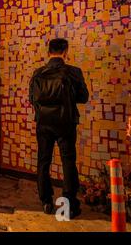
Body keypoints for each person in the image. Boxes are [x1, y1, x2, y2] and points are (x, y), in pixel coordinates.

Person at [29, 38, 89, 219]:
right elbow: (83, 97)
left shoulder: (38, 73)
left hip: (44, 123)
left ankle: (46, 202)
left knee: (43, 161)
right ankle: (69, 206)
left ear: (48, 52)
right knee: (68, 162)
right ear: (66, 52)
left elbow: (32, 98)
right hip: (66, 123)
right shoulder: (73, 72)